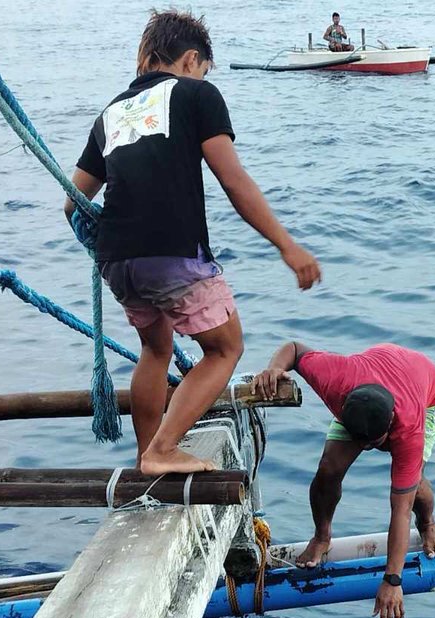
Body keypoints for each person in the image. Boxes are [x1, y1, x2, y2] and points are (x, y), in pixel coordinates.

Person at [65, 10, 321, 475]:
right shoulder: (196, 95)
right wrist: (287, 245)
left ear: (146, 56)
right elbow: (233, 179)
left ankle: (148, 456)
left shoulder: (111, 113)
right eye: (202, 68)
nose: (202, 76)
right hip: (171, 253)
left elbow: (72, 203)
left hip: (117, 261)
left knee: (155, 350)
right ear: (189, 60)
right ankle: (163, 450)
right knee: (226, 348)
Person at [253, 342, 435, 618]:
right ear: (342, 408)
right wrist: (274, 369)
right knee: (329, 468)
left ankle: (429, 524)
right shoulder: (335, 378)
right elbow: (294, 349)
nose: (366, 449)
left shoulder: (408, 428)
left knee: (412, 484)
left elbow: (400, 511)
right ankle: (322, 537)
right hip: (367, 387)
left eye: (373, 443)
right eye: (360, 442)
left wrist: (393, 580)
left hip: (427, 390)